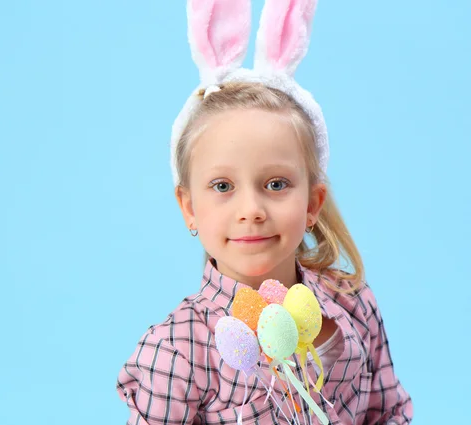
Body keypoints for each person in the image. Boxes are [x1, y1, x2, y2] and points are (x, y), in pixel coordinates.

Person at [116, 0, 413, 423]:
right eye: (222, 186)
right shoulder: (178, 349)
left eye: (276, 185)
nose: (251, 210)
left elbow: (389, 413)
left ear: (312, 203)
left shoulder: (353, 303)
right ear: (189, 208)